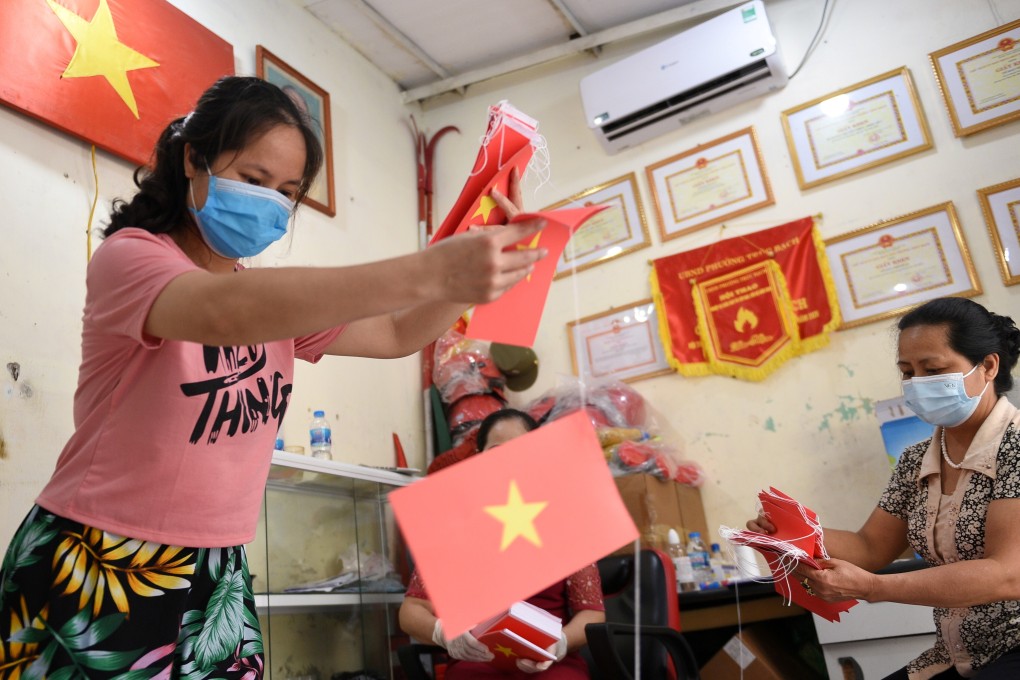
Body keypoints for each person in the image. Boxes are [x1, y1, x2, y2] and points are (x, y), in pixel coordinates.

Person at [0, 76, 546, 678]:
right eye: (255, 180)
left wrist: (465, 273)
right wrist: (426, 271)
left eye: (286, 191)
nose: (270, 203)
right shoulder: (132, 258)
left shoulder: (272, 305)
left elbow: (395, 334)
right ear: (193, 158)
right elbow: (220, 313)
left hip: (217, 568)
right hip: (102, 556)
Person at [747, 297, 1020, 679]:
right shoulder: (916, 460)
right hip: (961, 653)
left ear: (988, 365)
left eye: (933, 369)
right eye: (907, 372)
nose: (917, 384)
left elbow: (1007, 573)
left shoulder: (1016, 446)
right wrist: (792, 535)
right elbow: (871, 547)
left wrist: (874, 588)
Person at [399, 409, 606, 678]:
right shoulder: (455, 528)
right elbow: (411, 611)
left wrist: (561, 643)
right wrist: (444, 634)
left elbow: (591, 613)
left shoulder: (566, 523)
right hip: (476, 662)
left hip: (550, 664)